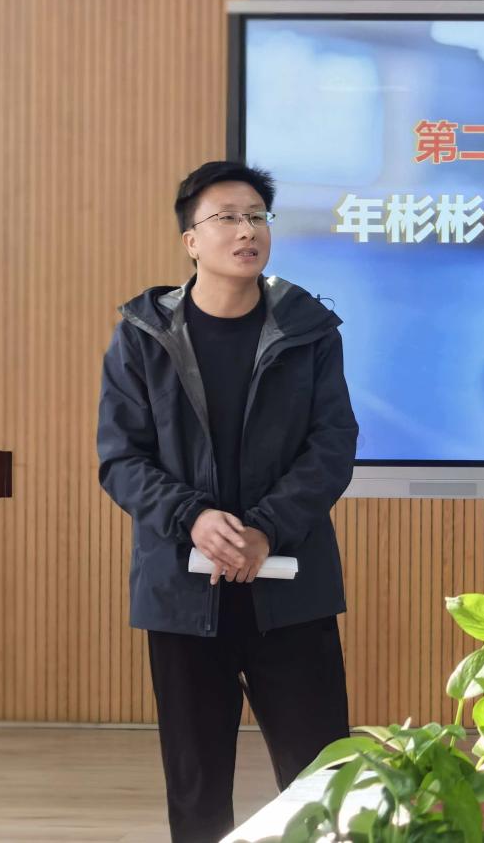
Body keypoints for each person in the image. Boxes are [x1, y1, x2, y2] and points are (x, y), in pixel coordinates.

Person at [97, 161, 358, 843]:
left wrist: (265, 529)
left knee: (322, 781)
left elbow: (332, 446)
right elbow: (120, 459)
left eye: (257, 217)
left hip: (290, 589)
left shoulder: (310, 330)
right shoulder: (141, 335)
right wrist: (193, 519)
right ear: (191, 240)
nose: (247, 231)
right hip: (183, 594)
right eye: (228, 218)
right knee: (197, 789)